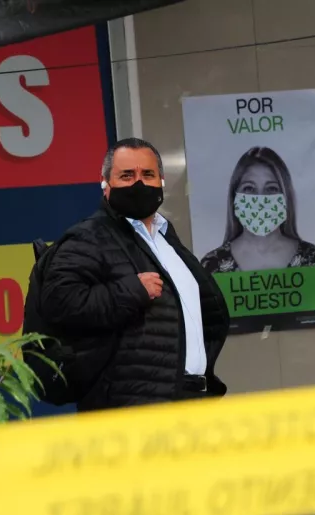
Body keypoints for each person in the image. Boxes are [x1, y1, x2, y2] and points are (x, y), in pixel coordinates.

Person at [39, 137, 230, 411]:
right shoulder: (88, 237)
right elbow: (59, 302)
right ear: (105, 185)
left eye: (148, 175)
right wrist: (131, 291)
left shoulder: (165, 238)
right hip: (132, 407)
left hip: (191, 400)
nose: (138, 184)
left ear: (161, 181)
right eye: (127, 175)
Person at [201, 146, 315, 273]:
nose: (260, 198)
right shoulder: (212, 265)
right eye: (249, 188)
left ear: (285, 197)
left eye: (271, 189)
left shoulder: (314, 259)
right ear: (234, 197)